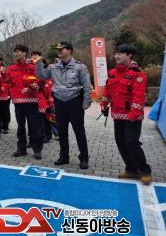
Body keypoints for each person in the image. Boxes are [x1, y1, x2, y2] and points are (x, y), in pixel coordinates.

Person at [35, 41, 92, 169]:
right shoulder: (53, 67)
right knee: (62, 131)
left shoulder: (79, 67)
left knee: (79, 131)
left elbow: (87, 85)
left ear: (69, 50)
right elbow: (42, 76)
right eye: (58, 49)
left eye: (62, 49)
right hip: (59, 102)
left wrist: (87, 101)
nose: (59, 51)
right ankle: (64, 156)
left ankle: (84, 158)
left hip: (74, 102)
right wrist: (38, 63)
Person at [101, 44, 152, 184]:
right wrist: (104, 103)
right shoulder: (112, 72)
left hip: (132, 116)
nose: (117, 56)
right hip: (117, 114)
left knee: (132, 142)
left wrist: (134, 113)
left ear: (129, 55)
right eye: (116, 53)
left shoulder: (137, 73)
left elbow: (138, 96)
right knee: (121, 142)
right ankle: (131, 170)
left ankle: (145, 171)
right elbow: (108, 90)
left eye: (120, 53)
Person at [5, 45, 43, 160]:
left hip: (31, 101)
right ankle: (21, 149)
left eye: (19, 52)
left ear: (25, 53)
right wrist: (2, 75)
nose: (16, 54)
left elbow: (40, 79)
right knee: (20, 126)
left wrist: (30, 88)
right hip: (18, 102)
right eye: (15, 52)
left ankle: (37, 149)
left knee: (34, 126)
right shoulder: (11, 68)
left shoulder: (33, 66)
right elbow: (7, 81)